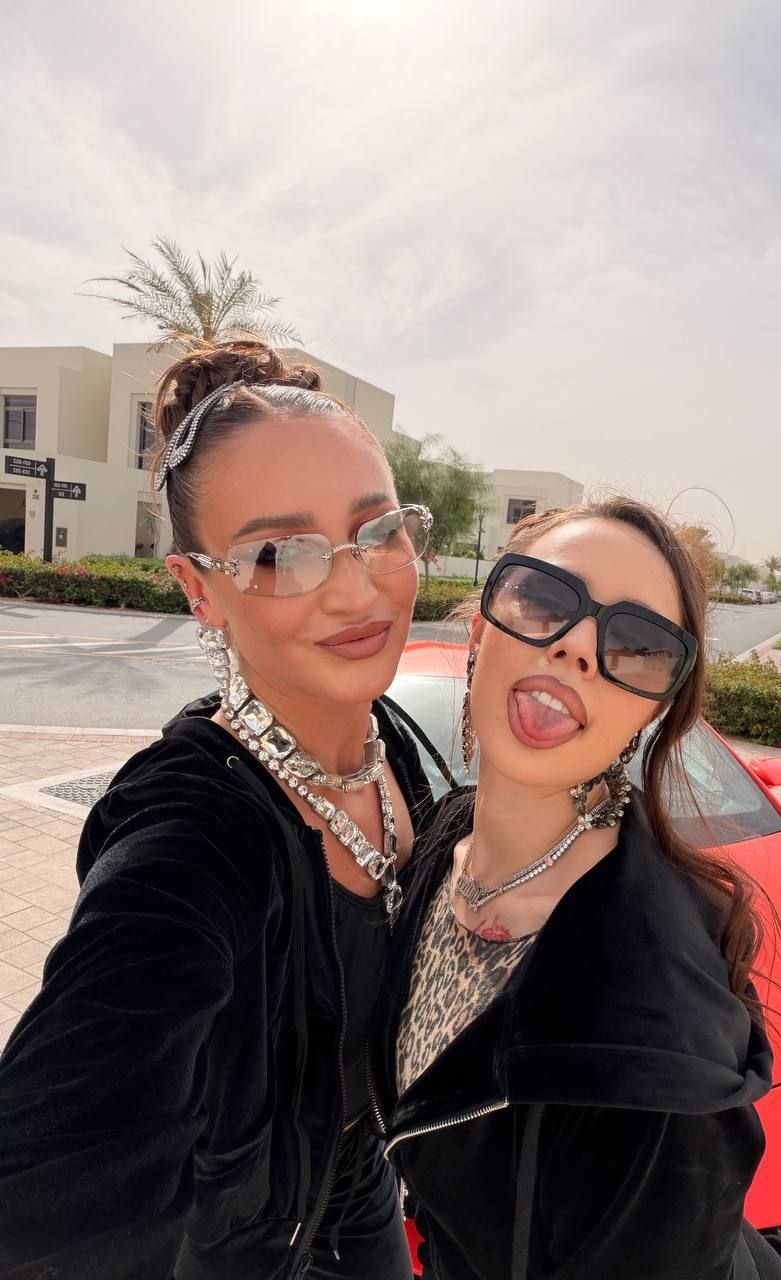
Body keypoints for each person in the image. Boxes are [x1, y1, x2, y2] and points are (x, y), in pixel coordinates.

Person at [0, 340, 436, 1280]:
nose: (357, 587)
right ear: (198, 589)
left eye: (378, 530)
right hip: (241, 1240)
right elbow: (59, 1175)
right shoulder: (193, 833)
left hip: (361, 1181)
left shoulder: (393, 744)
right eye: (278, 553)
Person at [370, 496, 781, 1279]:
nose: (576, 646)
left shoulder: (653, 1038)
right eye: (542, 597)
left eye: (637, 644)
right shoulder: (442, 844)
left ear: (653, 710)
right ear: (478, 632)